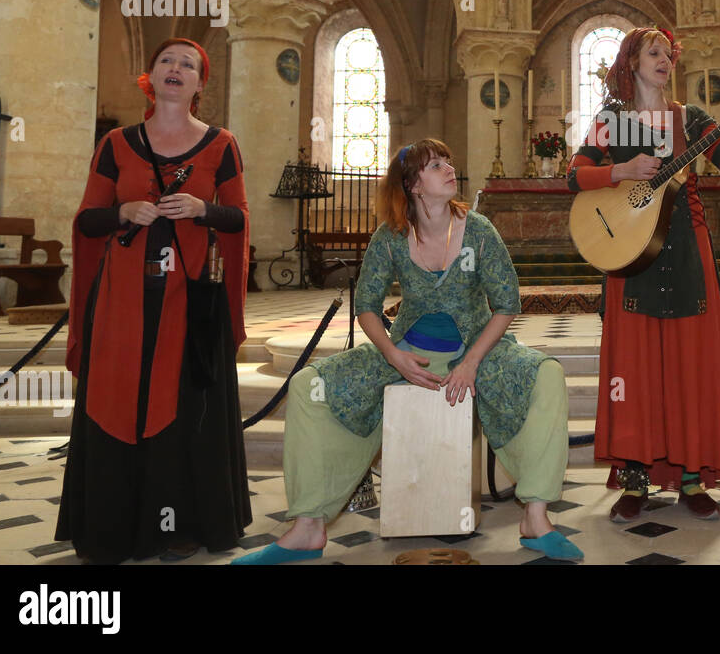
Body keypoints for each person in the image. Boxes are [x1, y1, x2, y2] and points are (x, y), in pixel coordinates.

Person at [234, 138, 580, 563]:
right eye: (436, 165)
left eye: (448, 161)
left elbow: (507, 302)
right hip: (405, 350)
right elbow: (366, 305)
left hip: (476, 350)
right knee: (309, 386)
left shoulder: (478, 230)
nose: (450, 168)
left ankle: (537, 517)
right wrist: (393, 356)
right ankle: (307, 527)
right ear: (414, 185)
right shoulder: (392, 237)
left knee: (546, 374)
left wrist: (471, 363)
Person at [567, 26, 720, 521]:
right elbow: (575, 175)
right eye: (652, 52)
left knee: (689, 361)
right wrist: (619, 171)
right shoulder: (611, 120)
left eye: (668, 53)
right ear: (632, 62)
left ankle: (690, 475)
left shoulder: (691, 117)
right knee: (632, 366)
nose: (664, 60)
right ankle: (635, 479)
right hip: (629, 251)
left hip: (686, 245)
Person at [58, 37, 251, 564]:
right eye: (166, 61)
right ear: (150, 76)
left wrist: (201, 209)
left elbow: (237, 220)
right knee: (117, 404)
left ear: (199, 85)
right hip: (121, 304)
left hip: (189, 308)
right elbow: (86, 221)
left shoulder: (221, 144)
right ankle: (111, 530)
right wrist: (122, 212)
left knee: (184, 412)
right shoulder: (116, 144)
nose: (176, 68)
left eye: (188, 64)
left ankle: (180, 527)